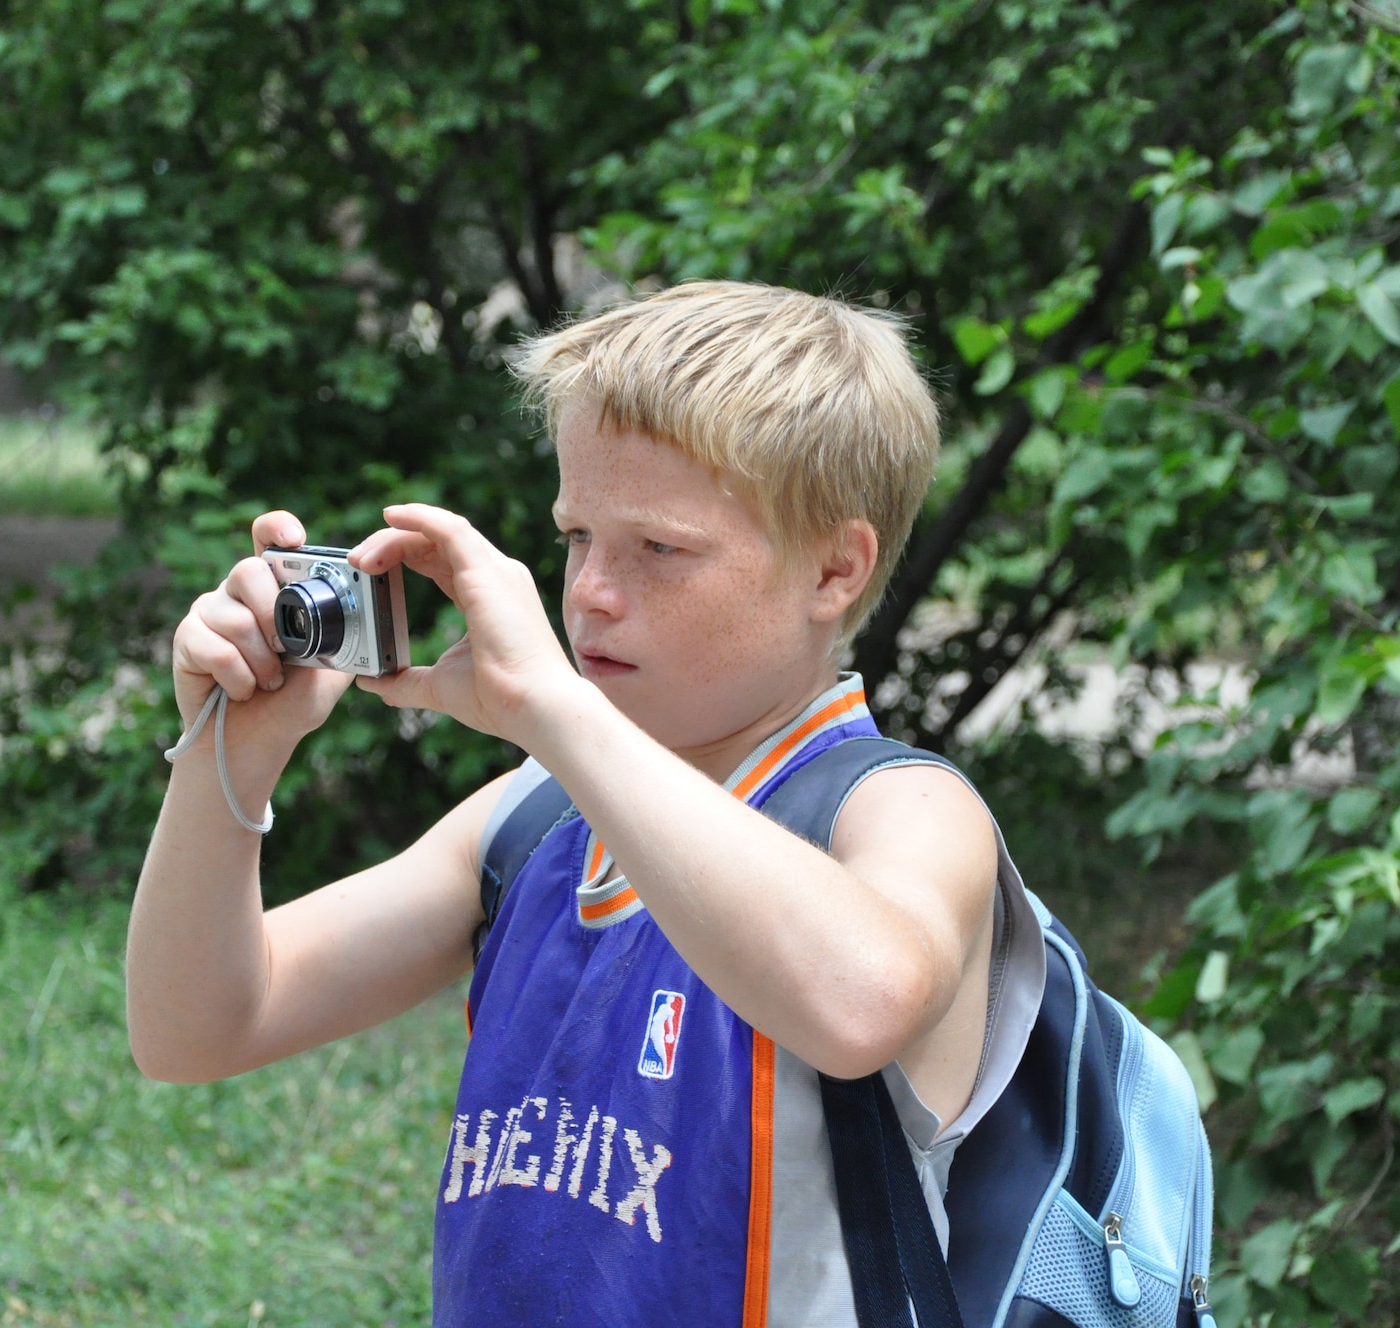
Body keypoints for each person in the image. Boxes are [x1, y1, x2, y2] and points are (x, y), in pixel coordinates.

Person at [126, 282, 1044, 1326]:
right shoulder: (535, 820)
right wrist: (228, 759)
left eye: (658, 549)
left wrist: (556, 710)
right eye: (576, 536)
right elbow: (193, 1026)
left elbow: (857, 1003)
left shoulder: (896, 806)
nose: (591, 592)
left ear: (833, 566)